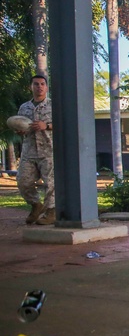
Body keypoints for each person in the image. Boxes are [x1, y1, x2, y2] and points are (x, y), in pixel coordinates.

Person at [14, 74, 54, 225]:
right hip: (29, 151)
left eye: (42, 84)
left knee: (51, 183)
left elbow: (64, 124)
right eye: (36, 84)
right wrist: (20, 130)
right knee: (23, 181)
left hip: (48, 150)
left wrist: (47, 126)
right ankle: (36, 205)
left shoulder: (53, 106)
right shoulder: (24, 107)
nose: (39, 87)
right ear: (31, 87)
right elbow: (19, 124)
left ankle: (51, 212)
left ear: (46, 87)